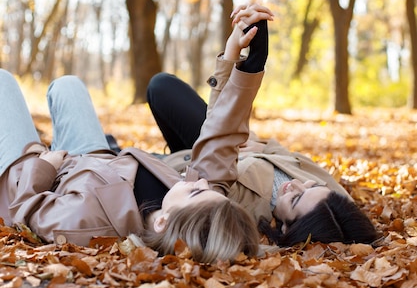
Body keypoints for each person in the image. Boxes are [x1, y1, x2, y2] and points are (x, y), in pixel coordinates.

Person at [0, 2, 277, 263]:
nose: (203, 183)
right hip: (92, 159)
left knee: (3, 83)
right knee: (68, 85)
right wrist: (247, 63)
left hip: (27, 177)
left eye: (198, 192)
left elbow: (23, 211)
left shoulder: (88, 223)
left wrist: (44, 167)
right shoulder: (188, 196)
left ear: (162, 222)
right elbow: (221, 137)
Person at [145, 75, 379, 250]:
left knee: (158, 91)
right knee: (163, 86)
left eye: (295, 198)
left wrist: (235, 150)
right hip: (241, 142)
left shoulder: (242, 212)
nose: (299, 184)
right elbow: (285, 154)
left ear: (287, 228)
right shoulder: (335, 203)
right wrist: (258, 146)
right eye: (312, 186)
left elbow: (211, 168)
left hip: (201, 158)